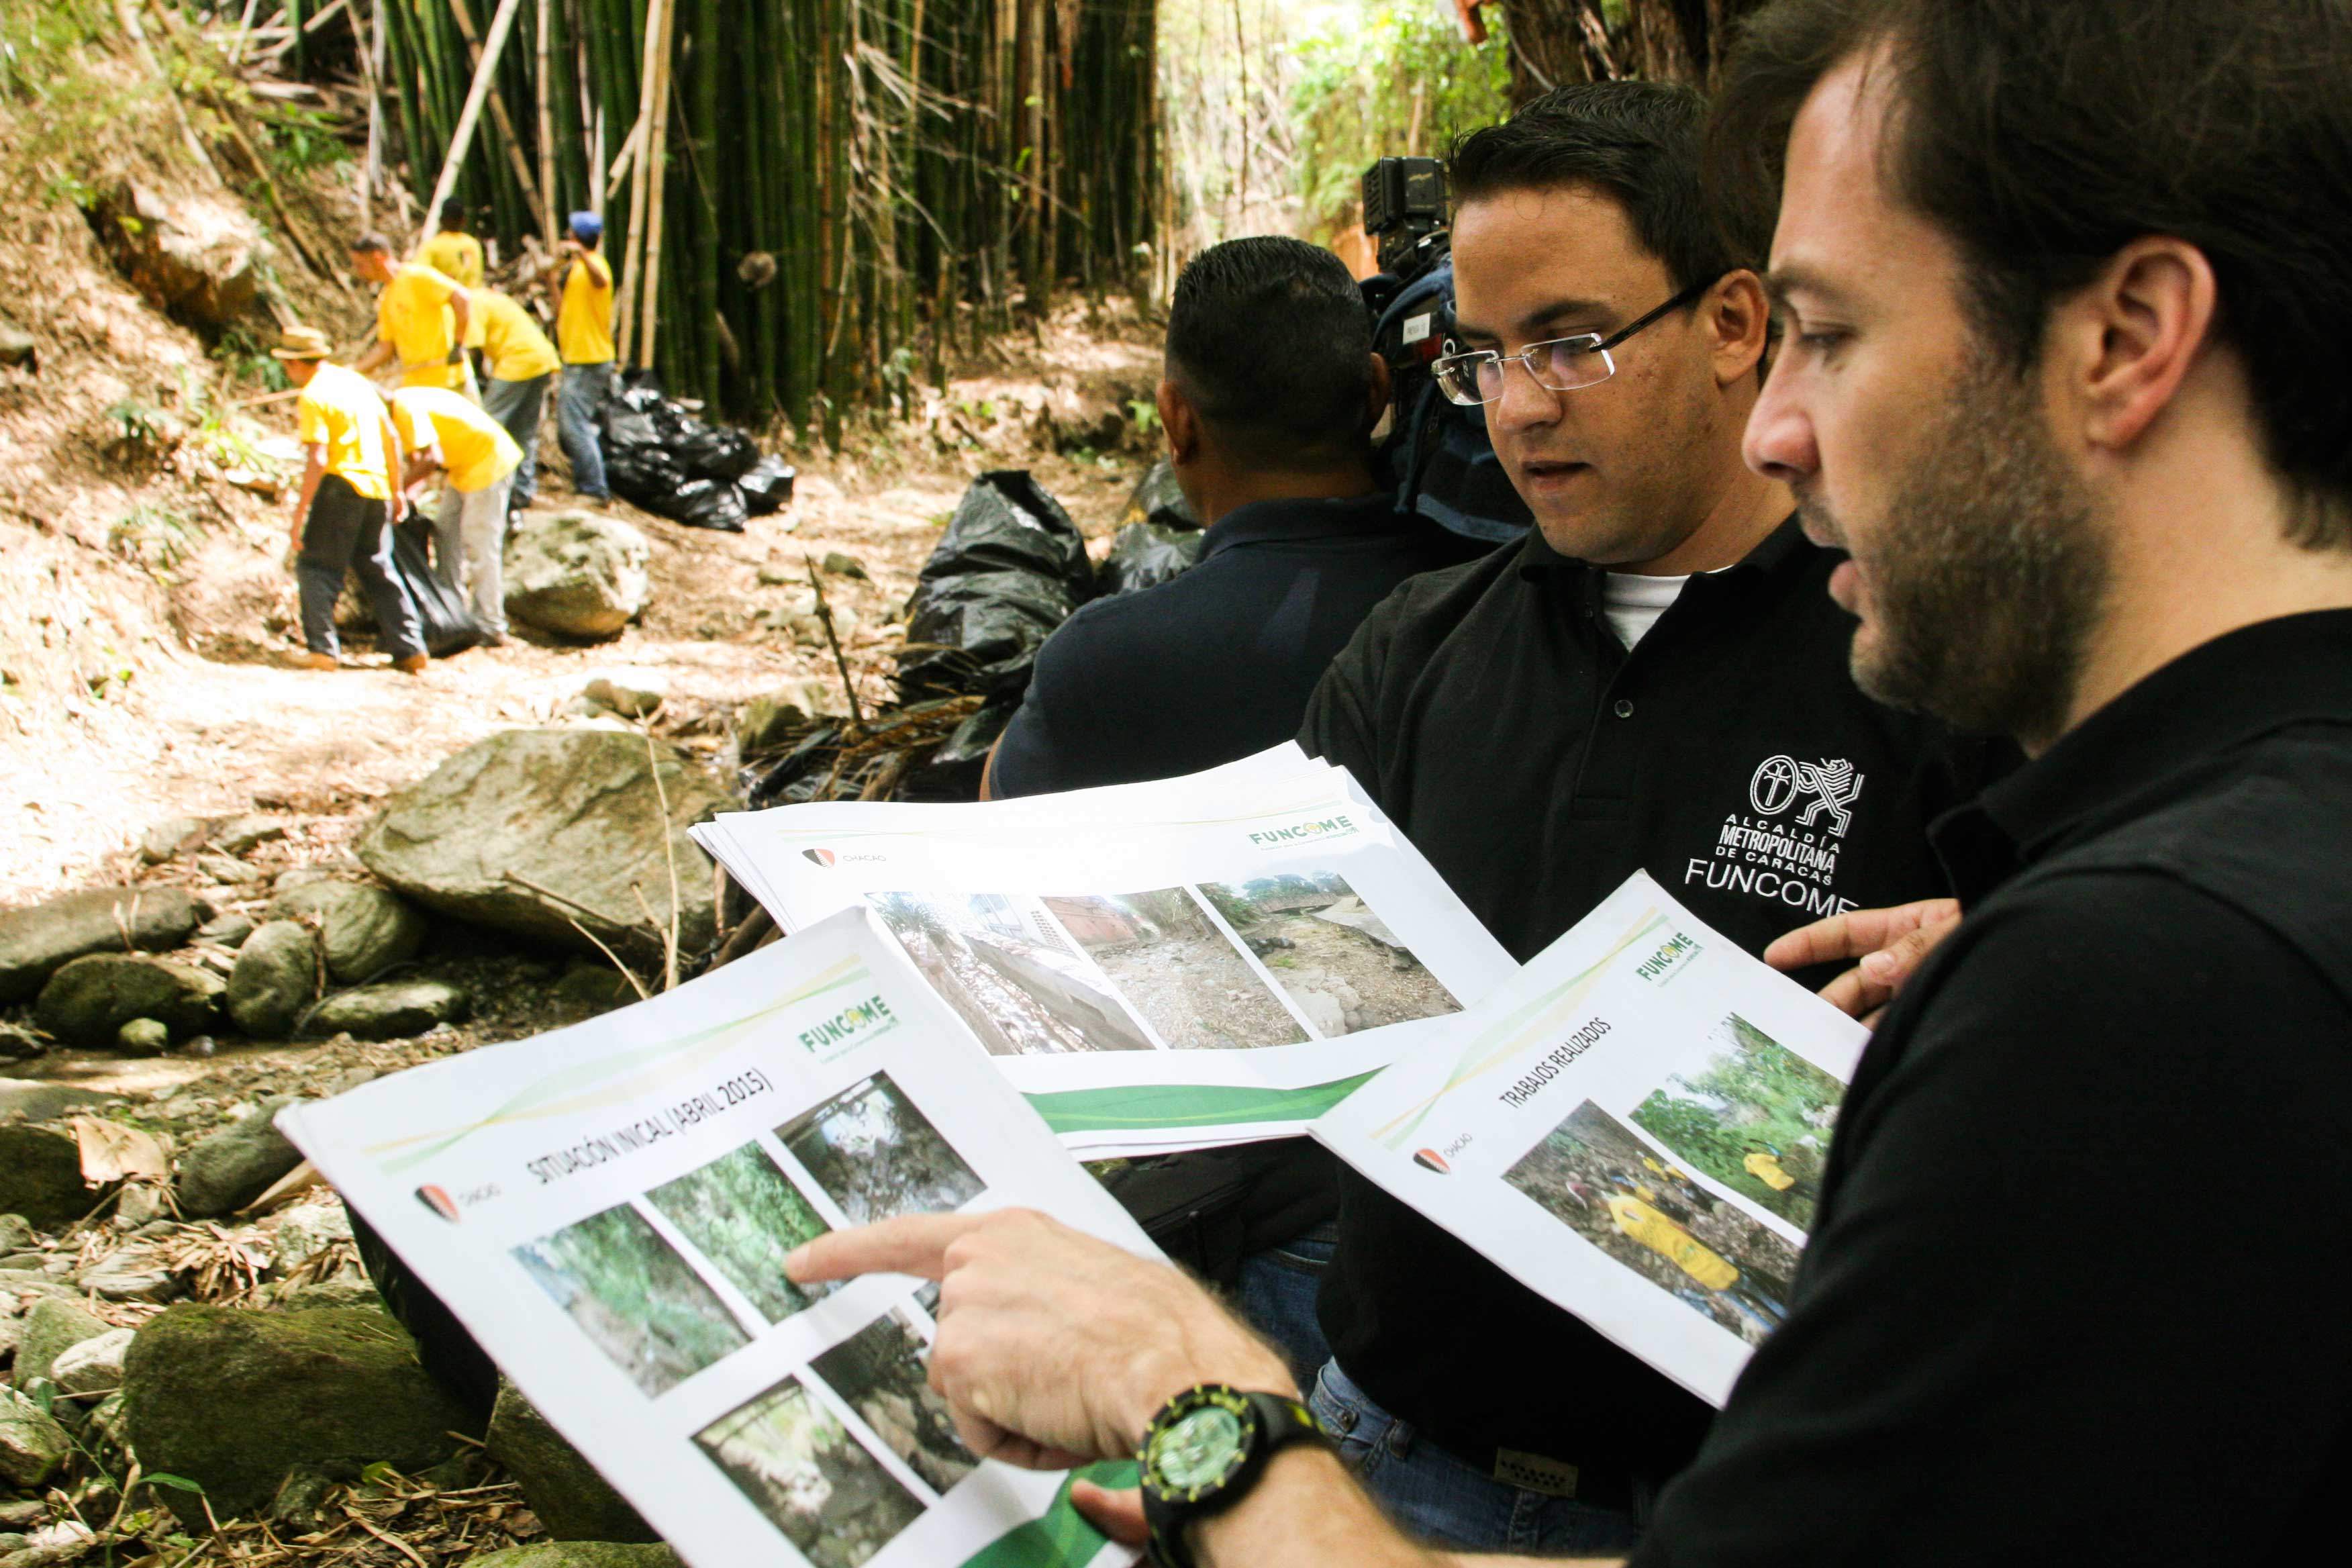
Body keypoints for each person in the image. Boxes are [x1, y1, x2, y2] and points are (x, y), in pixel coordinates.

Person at [786, 1, 2352, 1563]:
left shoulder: (2137, 943)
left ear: (2129, 334)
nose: (1788, 430)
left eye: (1832, 330)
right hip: (1412, 1427)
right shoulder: (1428, 646)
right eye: (1480, 357)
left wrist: (1191, 1396)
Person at [1275, 81, 1994, 1553]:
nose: (1520, 407)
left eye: (1574, 343)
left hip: (1741, 1500)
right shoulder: (1417, 650)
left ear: (1737, 325)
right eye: (1480, 356)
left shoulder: (1922, 673)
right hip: (1386, 1451)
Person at [982, 236, 1481, 798]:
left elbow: (997, 818)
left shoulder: (1102, 662)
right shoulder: (1489, 602)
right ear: (1375, 392)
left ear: (1176, 420)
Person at [271, 326, 427, 675]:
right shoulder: (355, 383)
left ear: (295, 364)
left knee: (316, 566)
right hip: (376, 489)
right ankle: (410, 647)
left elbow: (319, 459)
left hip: (342, 485)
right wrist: (397, 488)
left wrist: (300, 516)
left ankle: (322, 649)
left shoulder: (313, 395)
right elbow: (391, 436)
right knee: (377, 567)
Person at [389, 385, 522, 643]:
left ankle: (491, 623)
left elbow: (431, 458)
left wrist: (398, 492)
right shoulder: (404, 403)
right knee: (445, 534)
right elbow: (420, 459)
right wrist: (408, 493)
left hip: (488, 461)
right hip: (463, 467)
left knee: (480, 545)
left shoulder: (404, 408)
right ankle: (451, 611)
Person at [349, 234, 474, 397]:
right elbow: (384, 349)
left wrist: (458, 344)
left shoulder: (416, 276)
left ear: (377, 257)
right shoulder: (386, 298)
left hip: (449, 379)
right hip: (417, 386)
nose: (359, 272)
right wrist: (355, 371)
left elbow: (462, 298)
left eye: (361, 265)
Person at [546, 210, 615, 504]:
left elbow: (600, 281)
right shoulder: (576, 271)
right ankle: (589, 482)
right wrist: (549, 277)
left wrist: (583, 256)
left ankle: (594, 489)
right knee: (572, 424)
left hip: (590, 359)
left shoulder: (596, 265)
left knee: (574, 425)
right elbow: (563, 311)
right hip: (577, 357)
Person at [470, 285, 560, 510]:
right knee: (523, 431)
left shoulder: (473, 303)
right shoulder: (489, 298)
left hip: (518, 362)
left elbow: (470, 349)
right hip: (541, 359)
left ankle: (480, 489)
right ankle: (522, 492)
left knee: (487, 427)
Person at [419, 199, 485, 289]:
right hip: (470, 299)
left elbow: (420, 274)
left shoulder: (432, 246)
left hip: (441, 300)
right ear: (464, 221)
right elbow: (475, 278)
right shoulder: (473, 245)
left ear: (441, 220)